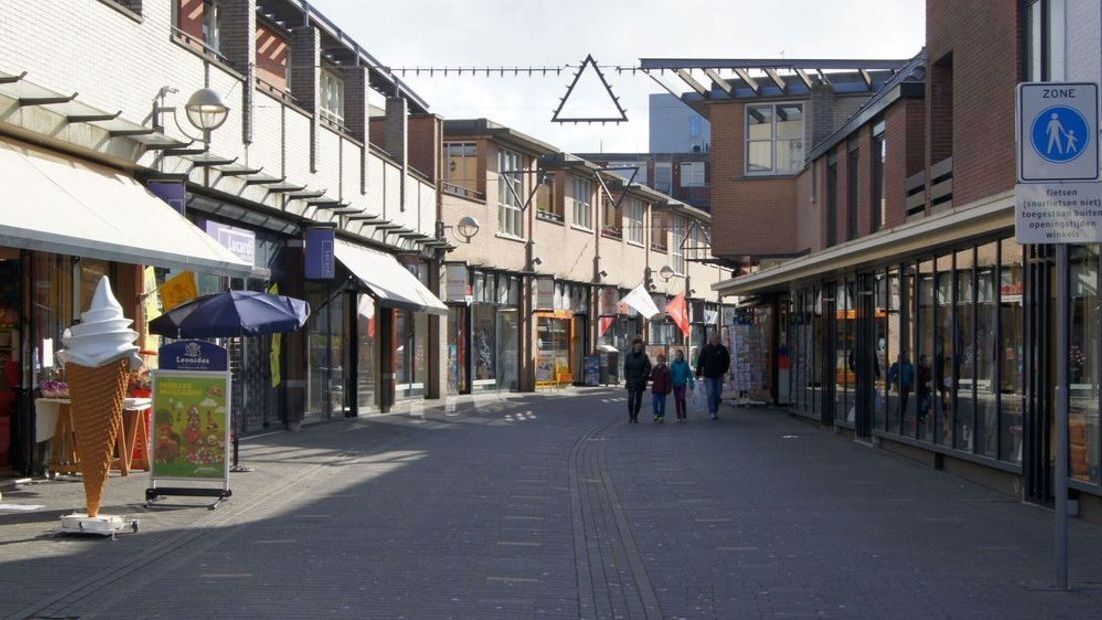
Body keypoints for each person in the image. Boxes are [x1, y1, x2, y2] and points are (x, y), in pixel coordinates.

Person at [695, 332, 731, 420]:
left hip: (719, 375)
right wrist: (698, 373)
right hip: (708, 375)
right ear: (710, 339)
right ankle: (712, 412)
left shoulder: (722, 349)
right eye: (714, 338)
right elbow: (700, 361)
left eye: (717, 338)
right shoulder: (705, 349)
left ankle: (715, 409)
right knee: (710, 393)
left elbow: (727, 360)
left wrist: (725, 370)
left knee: (718, 393)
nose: (716, 340)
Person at [622, 337, 652, 423]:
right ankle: (630, 416)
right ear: (634, 345)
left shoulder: (644, 356)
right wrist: (626, 376)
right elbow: (626, 367)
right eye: (637, 344)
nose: (638, 346)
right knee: (631, 399)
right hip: (631, 380)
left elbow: (648, 368)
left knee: (638, 400)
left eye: (640, 344)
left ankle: (635, 416)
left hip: (640, 381)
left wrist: (643, 376)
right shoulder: (628, 356)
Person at [669, 348, 692, 422]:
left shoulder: (685, 363)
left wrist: (691, 382)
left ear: (682, 355)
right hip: (675, 384)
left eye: (680, 355)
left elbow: (689, 373)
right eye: (677, 355)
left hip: (682, 384)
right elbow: (671, 374)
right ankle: (678, 415)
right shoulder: (673, 364)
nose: (678, 356)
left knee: (682, 398)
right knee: (677, 400)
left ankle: (684, 413)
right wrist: (670, 384)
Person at [650, 353, 672, 423]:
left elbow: (668, 380)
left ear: (663, 361)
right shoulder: (655, 369)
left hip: (663, 389)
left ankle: (661, 416)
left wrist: (668, 389)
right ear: (657, 360)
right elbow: (652, 378)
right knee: (655, 403)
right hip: (655, 389)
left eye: (661, 360)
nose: (660, 361)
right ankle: (656, 414)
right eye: (659, 360)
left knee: (662, 404)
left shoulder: (666, 369)